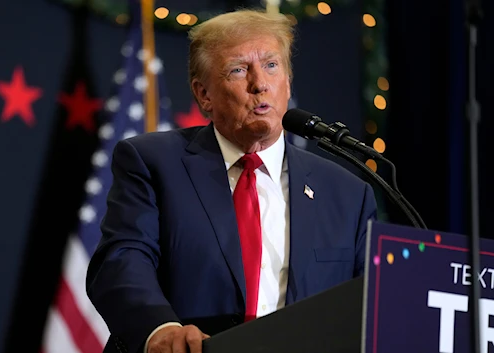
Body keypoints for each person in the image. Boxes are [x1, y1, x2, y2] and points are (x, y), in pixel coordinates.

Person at [86, 8, 377, 353]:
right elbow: (123, 259)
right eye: (239, 70)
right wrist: (160, 329)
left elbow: (367, 305)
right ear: (204, 94)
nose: (260, 84)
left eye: (271, 65)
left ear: (288, 80)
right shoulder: (153, 162)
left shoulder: (347, 193)